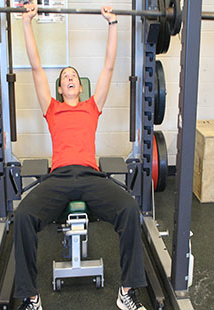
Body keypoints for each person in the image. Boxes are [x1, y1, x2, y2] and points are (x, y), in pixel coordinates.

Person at [15, 2, 147, 310]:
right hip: (59, 176)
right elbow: (35, 67)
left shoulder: (92, 106)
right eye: (65, 77)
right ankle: (31, 298)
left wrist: (113, 24)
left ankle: (126, 291)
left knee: (129, 209)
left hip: (90, 176)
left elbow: (109, 67)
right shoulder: (52, 108)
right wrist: (26, 23)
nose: (71, 78)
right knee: (22, 216)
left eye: (74, 75)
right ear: (60, 88)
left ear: (80, 85)